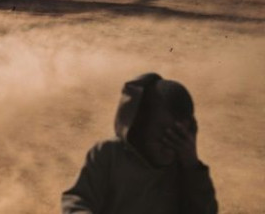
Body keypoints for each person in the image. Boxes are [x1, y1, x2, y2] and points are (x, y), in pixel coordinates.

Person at [61, 73, 218, 213]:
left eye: (178, 136)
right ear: (140, 125)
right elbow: (77, 200)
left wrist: (192, 167)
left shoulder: (185, 170)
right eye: (162, 132)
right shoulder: (109, 155)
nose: (168, 144)